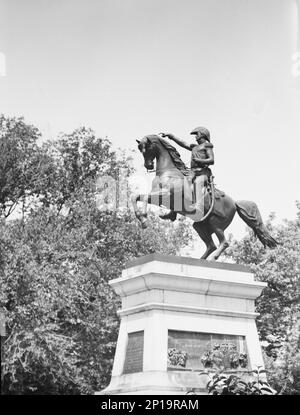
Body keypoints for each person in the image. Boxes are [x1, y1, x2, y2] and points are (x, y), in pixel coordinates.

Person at [160, 126, 214, 214]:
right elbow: (183, 143)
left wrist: (200, 160)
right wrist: (172, 136)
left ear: (202, 135)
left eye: (197, 134)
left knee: (197, 183)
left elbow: (212, 160)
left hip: (203, 172)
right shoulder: (194, 147)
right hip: (193, 172)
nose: (196, 136)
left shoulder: (207, 146)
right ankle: (173, 212)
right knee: (180, 185)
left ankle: (199, 207)